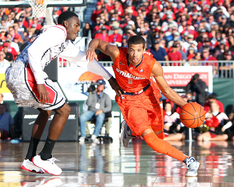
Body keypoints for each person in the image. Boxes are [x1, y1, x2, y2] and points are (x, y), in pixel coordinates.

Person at [5, 11, 121, 176]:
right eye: (76, 25)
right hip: (24, 72)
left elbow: (84, 61)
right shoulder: (58, 32)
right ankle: (45, 157)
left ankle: (30, 159)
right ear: (66, 24)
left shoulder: (63, 43)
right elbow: (33, 52)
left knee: (46, 111)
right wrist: (40, 82)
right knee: (64, 110)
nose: (78, 29)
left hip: (15, 74)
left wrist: (108, 77)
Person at [86, 35, 200, 177]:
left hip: (148, 95)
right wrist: (91, 48)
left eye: (139, 50)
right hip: (129, 100)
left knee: (158, 139)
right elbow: (97, 42)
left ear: (144, 50)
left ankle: (130, 128)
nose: (135, 55)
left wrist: (185, 105)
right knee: (151, 140)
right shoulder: (116, 53)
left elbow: (167, 90)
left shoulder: (152, 65)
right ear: (127, 49)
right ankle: (189, 161)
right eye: (132, 50)